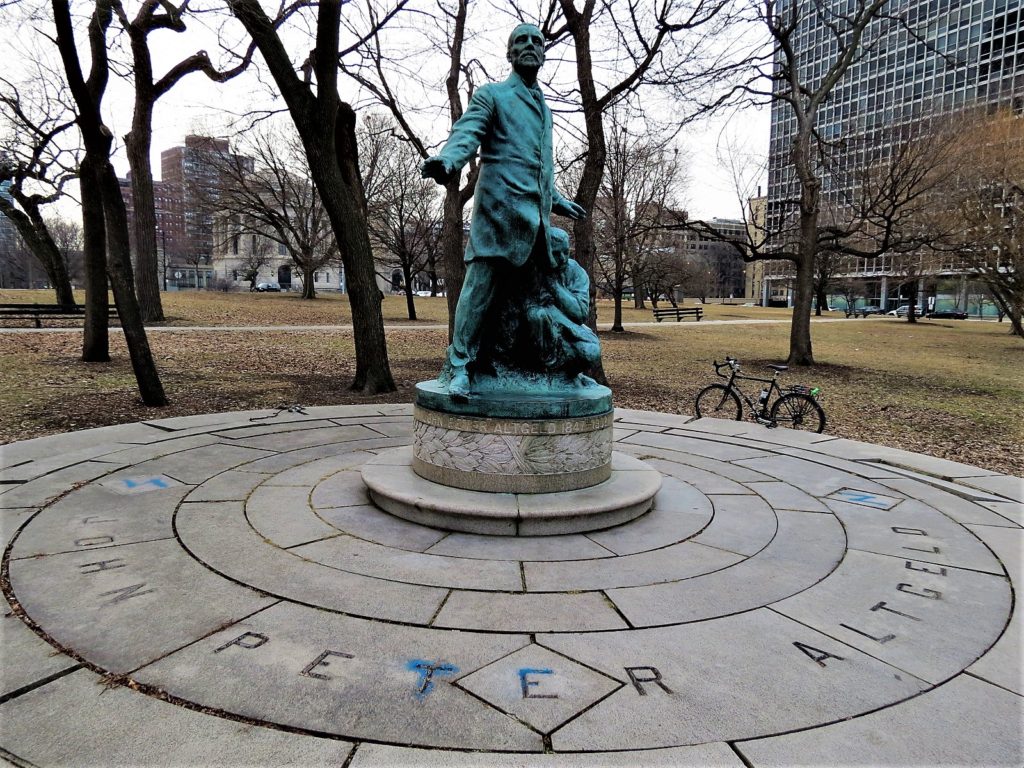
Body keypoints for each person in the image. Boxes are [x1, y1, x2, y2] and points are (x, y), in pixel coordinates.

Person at [421, 23, 586, 397]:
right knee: (478, 294)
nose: (529, 46)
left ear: (544, 54)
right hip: (497, 217)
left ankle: (548, 367)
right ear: (510, 54)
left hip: (536, 225)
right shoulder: (493, 95)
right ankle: (460, 367)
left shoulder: (543, 106)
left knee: (533, 303)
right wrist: (449, 161)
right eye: (521, 41)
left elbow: (535, 164)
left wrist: (556, 199)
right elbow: (468, 132)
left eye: (536, 41)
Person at [526, 228, 601, 383]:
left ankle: (567, 378)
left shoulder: (574, 271)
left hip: (569, 330)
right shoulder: (530, 270)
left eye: (565, 252)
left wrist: (554, 287)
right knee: (537, 316)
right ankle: (540, 376)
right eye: (555, 253)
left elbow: (580, 314)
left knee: (591, 352)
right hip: (532, 334)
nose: (562, 258)